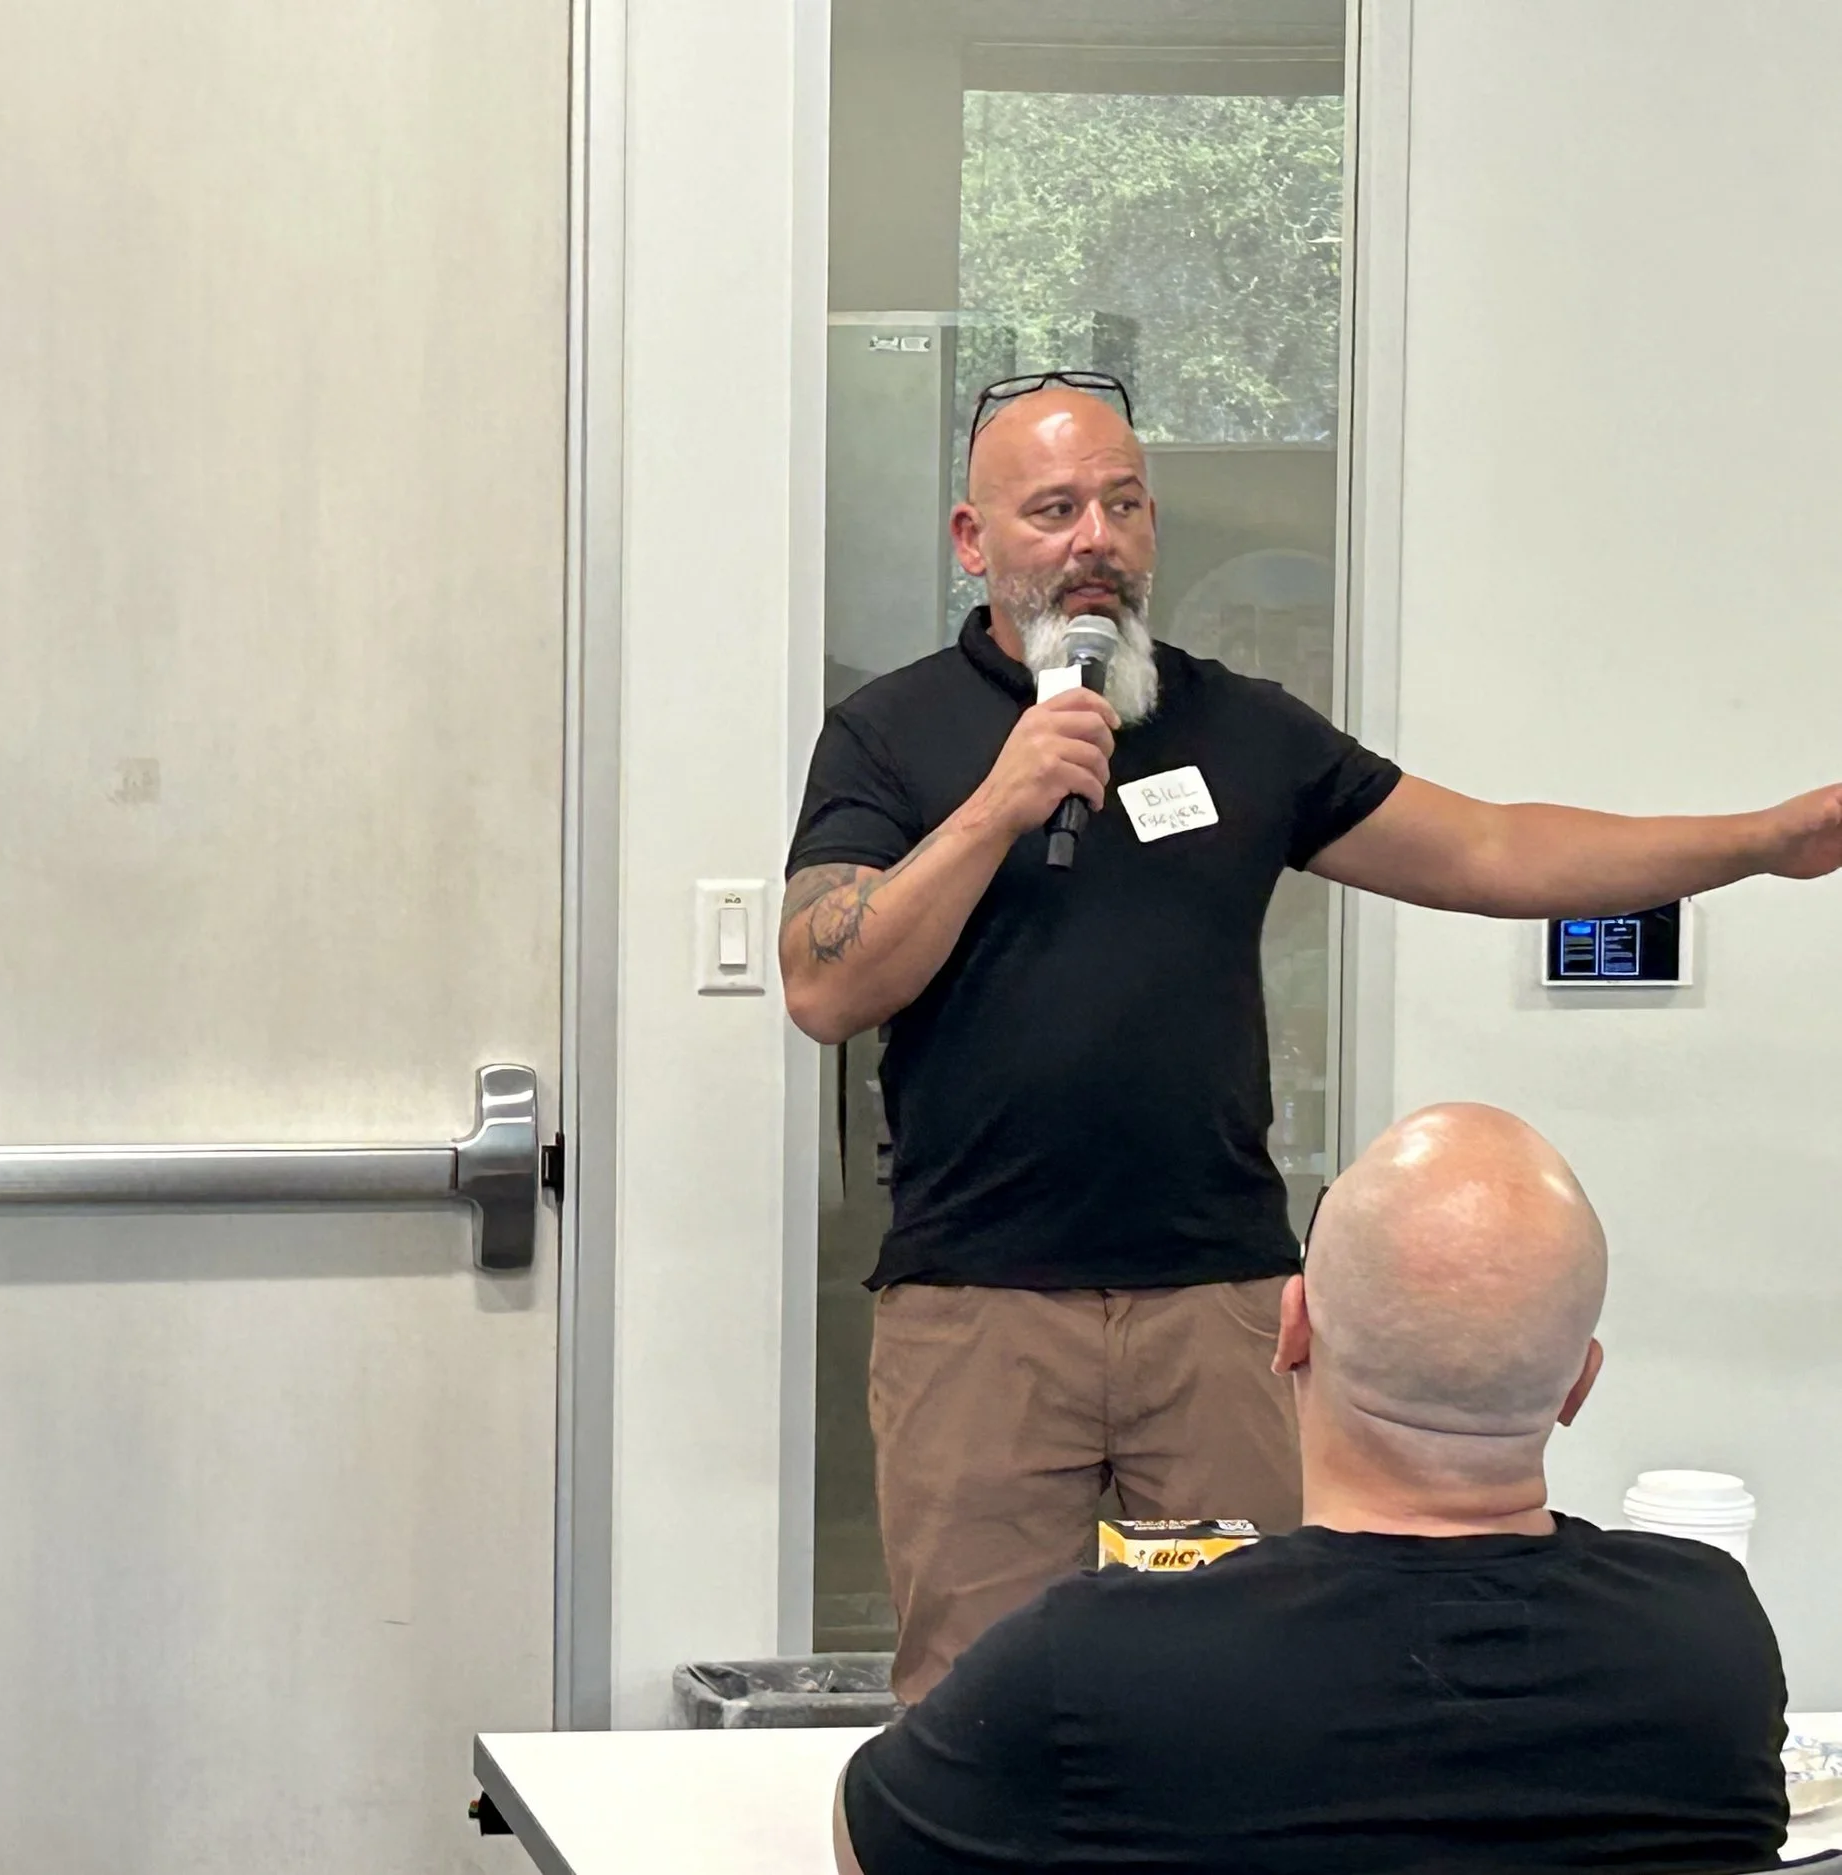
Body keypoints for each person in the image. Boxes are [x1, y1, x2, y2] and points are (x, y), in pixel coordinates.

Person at [782, 372, 1842, 1702]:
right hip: (979, 1306)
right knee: (978, 1700)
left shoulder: (1239, 727)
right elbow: (823, 984)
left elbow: (1491, 847)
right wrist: (1001, 803)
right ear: (971, 538)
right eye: (1052, 509)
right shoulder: (890, 734)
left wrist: (1765, 841)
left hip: (1219, 1304)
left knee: (1256, 1689)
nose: (1095, 538)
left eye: (1122, 503)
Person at [835, 1103, 1791, 1875]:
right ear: (1580, 1382)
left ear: (1291, 1330)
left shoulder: (1092, 1665)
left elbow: (867, 1841)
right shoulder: (1712, 1641)